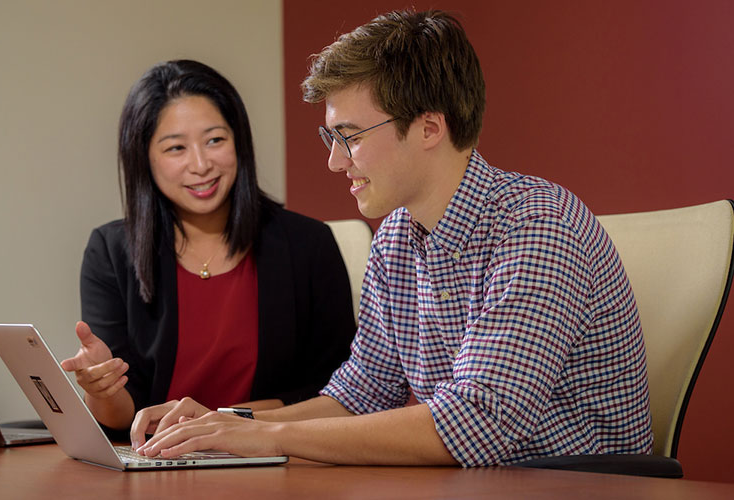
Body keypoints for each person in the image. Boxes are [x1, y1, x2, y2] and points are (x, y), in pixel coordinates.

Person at [126, 10, 654, 466]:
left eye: (350, 137)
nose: (335, 162)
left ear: (429, 128)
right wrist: (222, 424)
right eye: (331, 137)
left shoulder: (537, 224)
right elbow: (361, 393)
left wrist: (269, 436)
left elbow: (478, 422)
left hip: (576, 483)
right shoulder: (397, 238)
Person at [59, 60, 356, 433]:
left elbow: (339, 392)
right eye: (175, 148)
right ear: (144, 158)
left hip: (275, 455)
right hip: (155, 459)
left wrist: (222, 422)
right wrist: (103, 389)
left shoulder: (309, 245)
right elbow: (121, 419)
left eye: (215, 140)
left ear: (238, 141)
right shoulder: (111, 251)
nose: (200, 165)